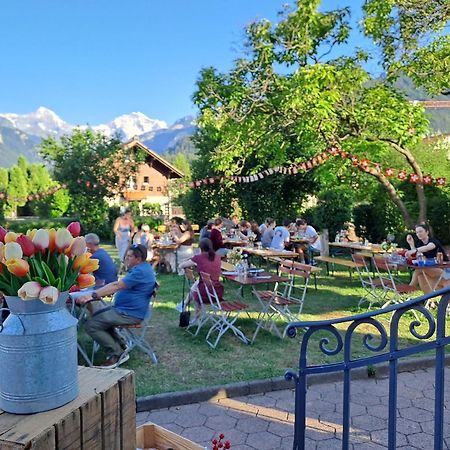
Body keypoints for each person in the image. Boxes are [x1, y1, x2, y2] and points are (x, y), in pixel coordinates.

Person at [77, 244, 156, 368]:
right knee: (98, 317)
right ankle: (121, 347)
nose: (126, 258)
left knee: (91, 325)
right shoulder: (142, 268)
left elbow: (117, 286)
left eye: (129, 256)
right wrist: (96, 294)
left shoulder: (140, 272)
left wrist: (93, 294)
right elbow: (116, 284)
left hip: (130, 314)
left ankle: (117, 354)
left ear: (138, 259)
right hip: (127, 311)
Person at [179, 238, 224, 320]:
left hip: (205, 292)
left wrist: (193, 263)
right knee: (197, 285)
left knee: (196, 288)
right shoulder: (217, 257)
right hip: (217, 290)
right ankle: (185, 304)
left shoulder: (198, 258)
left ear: (200, 248)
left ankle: (188, 309)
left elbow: (181, 265)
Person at [405, 223, 450, 293]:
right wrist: (411, 244)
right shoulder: (420, 244)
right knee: (420, 275)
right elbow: (417, 256)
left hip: (445, 271)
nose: (418, 234)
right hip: (432, 269)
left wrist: (415, 250)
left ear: (427, 232)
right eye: (417, 232)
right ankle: (428, 299)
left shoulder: (433, 242)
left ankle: (409, 289)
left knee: (418, 270)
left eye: (420, 231)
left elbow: (427, 248)